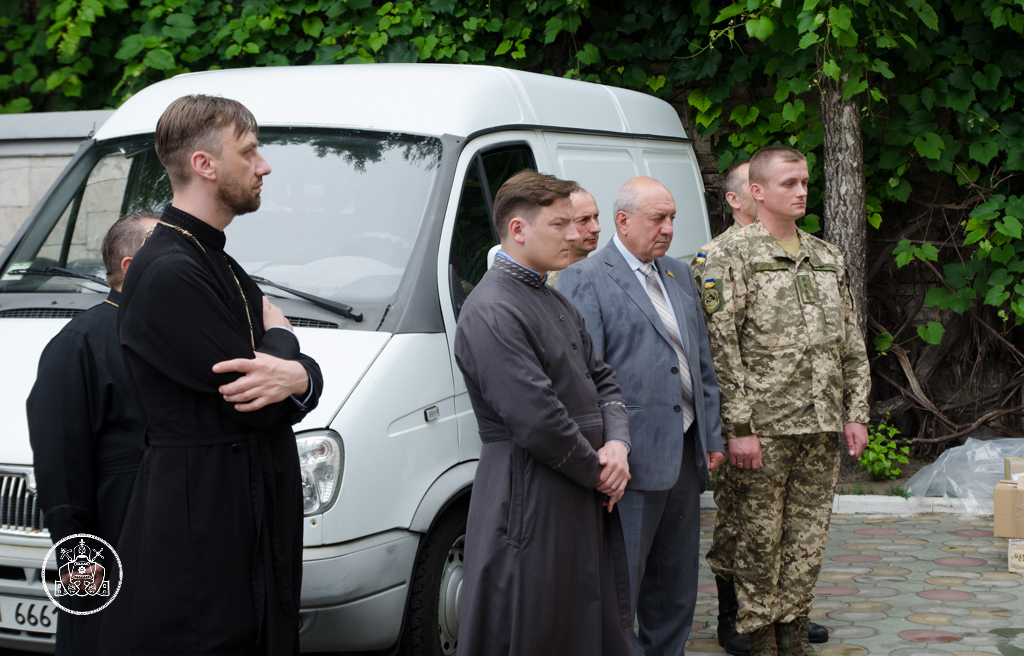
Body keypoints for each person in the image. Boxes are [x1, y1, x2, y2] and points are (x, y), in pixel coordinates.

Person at [96, 95, 324, 655]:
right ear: (204, 164)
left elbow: (285, 380)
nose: (263, 166)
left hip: (231, 503)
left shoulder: (212, 258)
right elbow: (258, 400)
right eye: (248, 152)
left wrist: (298, 374)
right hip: (201, 519)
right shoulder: (171, 270)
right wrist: (286, 345)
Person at [698, 146, 870, 656]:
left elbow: (850, 342)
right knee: (757, 540)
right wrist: (739, 428)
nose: (801, 191)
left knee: (806, 539)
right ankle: (760, 639)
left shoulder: (825, 256)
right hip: (764, 430)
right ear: (757, 191)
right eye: (789, 183)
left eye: (805, 182)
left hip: (819, 425)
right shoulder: (729, 255)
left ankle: (794, 636)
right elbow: (722, 349)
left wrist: (856, 412)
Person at [454, 169, 634, 655]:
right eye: (560, 225)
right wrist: (599, 472)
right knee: (536, 626)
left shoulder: (553, 298)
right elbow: (537, 420)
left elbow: (604, 379)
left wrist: (618, 445)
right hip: (529, 494)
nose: (575, 235)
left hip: (578, 484)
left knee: (583, 622)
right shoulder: (492, 309)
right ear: (518, 229)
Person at [559, 176, 725, 656]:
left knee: (676, 585)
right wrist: (603, 454)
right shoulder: (586, 276)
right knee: (622, 585)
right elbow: (584, 377)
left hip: (685, 454)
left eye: (672, 217)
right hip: (628, 460)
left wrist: (711, 437)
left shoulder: (679, 273)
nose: (669, 228)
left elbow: (700, 361)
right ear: (623, 221)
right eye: (658, 218)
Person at [27, 211, 158, 656]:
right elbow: (59, 464)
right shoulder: (78, 342)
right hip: (106, 551)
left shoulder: (174, 334)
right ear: (130, 267)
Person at [546, 187, 601, 288]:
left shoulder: (602, 274)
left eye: (596, 217)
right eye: (584, 220)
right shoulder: (546, 283)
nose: (596, 228)